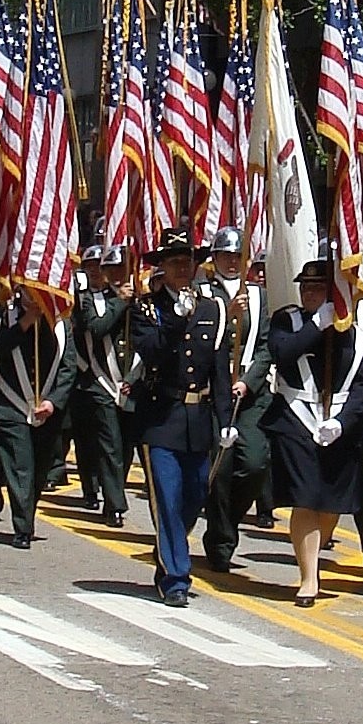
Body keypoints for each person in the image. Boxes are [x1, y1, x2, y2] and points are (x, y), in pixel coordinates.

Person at [265, 245, 363, 604]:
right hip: (296, 420)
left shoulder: (355, 332)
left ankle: (318, 549)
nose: (310, 294)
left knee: (330, 503)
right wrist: (316, 324)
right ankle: (308, 577)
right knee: (305, 497)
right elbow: (283, 355)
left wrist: (343, 423)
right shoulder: (288, 321)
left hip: (339, 427)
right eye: (306, 288)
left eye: (318, 289)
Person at [131, 228, 228, 604]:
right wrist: (174, 317)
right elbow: (152, 351)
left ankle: (168, 550)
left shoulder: (211, 308)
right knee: (168, 499)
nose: (182, 268)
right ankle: (176, 578)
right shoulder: (146, 307)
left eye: (187, 261)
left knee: (194, 497)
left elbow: (218, 365)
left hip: (199, 419)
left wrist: (225, 418)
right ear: (163, 268)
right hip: (161, 417)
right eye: (173, 262)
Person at [203, 227, 274, 574]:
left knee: (256, 463)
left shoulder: (260, 295)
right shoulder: (202, 292)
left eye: (237, 256)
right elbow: (197, 339)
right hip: (214, 392)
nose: (231, 262)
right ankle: (220, 541)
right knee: (221, 471)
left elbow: (265, 347)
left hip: (250, 394)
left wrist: (248, 381)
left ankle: (229, 521)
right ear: (214, 258)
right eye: (225, 255)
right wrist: (226, 315)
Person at [0, 286, 79, 546]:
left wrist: (53, 402)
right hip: (10, 405)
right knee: (21, 466)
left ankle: (24, 510)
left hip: (47, 409)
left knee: (38, 470)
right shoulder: (7, 314)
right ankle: (23, 527)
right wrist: (26, 321)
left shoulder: (61, 322)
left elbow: (68, 367)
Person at [69, 242, 136, 525]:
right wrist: (120, 301)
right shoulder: (89, 299)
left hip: (131, 382)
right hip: (100, 383)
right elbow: (96, 328)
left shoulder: (140, 299)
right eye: (111, 268)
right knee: (109, 445)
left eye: (122, 267)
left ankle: (113, 491)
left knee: (125, 447)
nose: (117, 273)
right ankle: (114, 504)